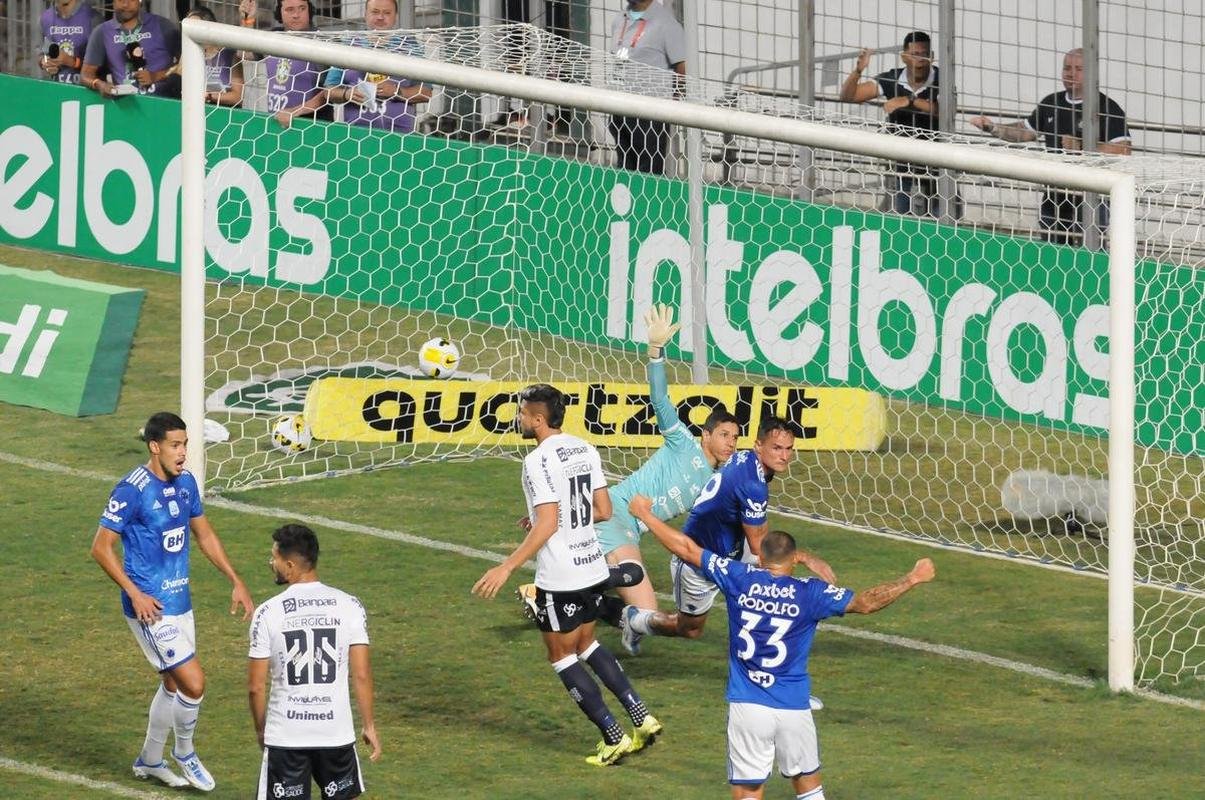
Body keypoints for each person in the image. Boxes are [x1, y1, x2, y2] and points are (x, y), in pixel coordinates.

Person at [629, 494, 936, 800]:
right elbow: (866, 602)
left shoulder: (739, 577)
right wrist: (912, 579)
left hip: (747, 705)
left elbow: (687, 548)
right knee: (809, 789)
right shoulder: (811, 593)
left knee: (748, 792)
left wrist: (645, 514)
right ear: (793, 560)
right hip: (793, 706)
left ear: (760, 559)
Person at [516, 304, 740, 656]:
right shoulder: (683, 442)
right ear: (706, 435)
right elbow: (660, 399)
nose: (731, 443)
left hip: (633, 528)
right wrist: (656, 351)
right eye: (725, 435)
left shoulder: (717, 480)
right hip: (617, 511)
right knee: (635, 598)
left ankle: (552, 596)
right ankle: (554, 594)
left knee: (646, 612)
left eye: (736, 438)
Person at [472, 383, 662, 766]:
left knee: (561, 656)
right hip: (592, 565)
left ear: (538, 420)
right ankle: (642, 717)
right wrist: (555, 520)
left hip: (561, 576)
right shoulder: (585, 448)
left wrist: (507, 566)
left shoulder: (535, 461)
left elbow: (549, 522)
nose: (519, 419)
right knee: (587, 644)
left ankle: (613, 737)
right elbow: (603, 510)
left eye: (523, 413)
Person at [90, 411, 254, 791]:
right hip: (150, 609)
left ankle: (149, 760)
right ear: (154, 446)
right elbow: (100, 547)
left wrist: (235, 579)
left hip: (181, 602)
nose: (182, 453)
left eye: (185, 445)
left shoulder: (186, 483)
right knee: (194, 684)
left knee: (173, 684)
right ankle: (185, 752)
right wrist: (135, 593)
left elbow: (204, 534)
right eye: (175, 446)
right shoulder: (131, 490)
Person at [623, 416, 836, 646]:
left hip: (733, 548)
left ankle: (782, 626)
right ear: (758, 446)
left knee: (775, 573)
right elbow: (760, 547)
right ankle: (636, 621)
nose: (784, 456)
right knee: (690, 629)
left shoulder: (746, 459)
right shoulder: (753, 485)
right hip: (699, 560)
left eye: (788, 448)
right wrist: (804, 557)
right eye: (776, 448)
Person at [248, 524, 381, 799]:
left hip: (286, 735)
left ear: (290, 565)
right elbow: (361, 674)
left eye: (274, 558)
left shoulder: (267, 613)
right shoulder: (349, 605)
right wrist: (369, 725)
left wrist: (262, 731)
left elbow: (256, 687)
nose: (271, 564)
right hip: (335, 733)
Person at [970, 48, 1131, 245]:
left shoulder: (1106, 107)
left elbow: (1123, 149)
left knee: (1090, 251)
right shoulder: (1051, 102)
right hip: (1055, 193)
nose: (1071, 74)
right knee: (1052, 249)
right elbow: (1025, 131)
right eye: (1067, 68)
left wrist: (1083, 147)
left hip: (1091, 194)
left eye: (1079, 69)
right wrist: (993, 127)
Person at [840, 32, 959, 218]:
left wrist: (909, 101)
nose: (920, 60)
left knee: (945, 215)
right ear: (904, 57)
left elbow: (946, 111)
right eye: (915, 54)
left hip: (937, 159)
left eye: (925, 54)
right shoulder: (892, 78)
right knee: (901, 215)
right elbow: (848, 96)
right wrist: (858, 71)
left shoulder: (942, 79)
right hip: (902, 160)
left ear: (932, 56)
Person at [322, 0, 431, 134]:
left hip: (400, 136)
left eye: (387, 13)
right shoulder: (348, 45)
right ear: (365, 14)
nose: (380, 17)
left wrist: (397, 92)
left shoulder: (410, 46)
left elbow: (426, 92)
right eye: (375, 12)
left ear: (395, 16)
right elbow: (328, 91)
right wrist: (347, 94)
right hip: (356, 135)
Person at [607, 0, 685, 175]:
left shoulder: (667, 24)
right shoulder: (619, 19)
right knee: (624, 168)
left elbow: (683, 68)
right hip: (619, 107)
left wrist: (673, 99)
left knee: (648, 171)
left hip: (650, 114)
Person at [81, 0, 180, 98]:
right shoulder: (101, 32)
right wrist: (99, 84)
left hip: (163, 103)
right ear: (113, 2)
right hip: (126, 104)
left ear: (139, 1)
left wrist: (156, 76)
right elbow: (85, 74)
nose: (126, 4)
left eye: (131, 0)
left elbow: (184, 65)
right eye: (121, 0)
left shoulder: (162, 25)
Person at [260, 0, 328, 127]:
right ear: (279, 13)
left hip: (312, 125)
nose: (296, 15)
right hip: (276, 121)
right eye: (290, 10)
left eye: (302, 9)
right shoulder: (272, 38)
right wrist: (247, 20)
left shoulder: (322, 43)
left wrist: (296, 111)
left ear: (310, 10)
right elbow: (243, 54)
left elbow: (331, 90)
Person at [182, 5, 244, 107]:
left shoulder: (229, 55)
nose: (192, 34)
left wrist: (209, 96)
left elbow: (238, 97)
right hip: (195, 109)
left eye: (195, 29)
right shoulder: (189, 55)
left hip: (224, 112)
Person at [38, 0, 103, 86]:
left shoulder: (93, 18)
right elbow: (41, 53)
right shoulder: (45, 18)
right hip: (57, 88)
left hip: (87, 90)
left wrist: (73, 62)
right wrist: (45, 63)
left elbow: (104, 65)